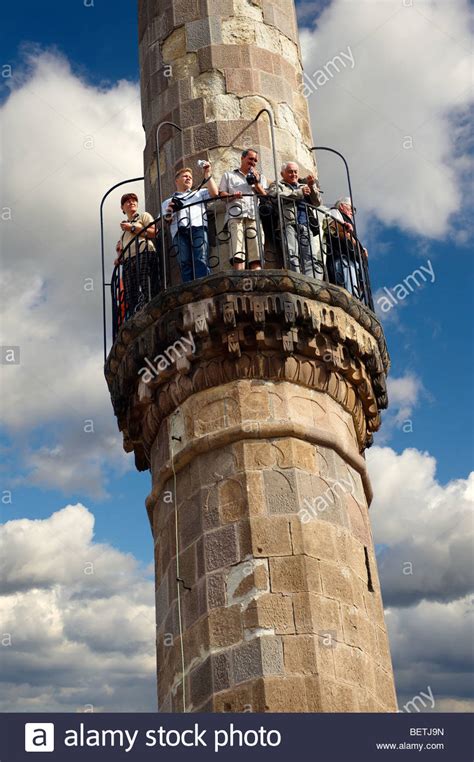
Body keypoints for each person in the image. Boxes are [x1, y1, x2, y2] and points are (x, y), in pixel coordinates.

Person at [162, 162, 218, 282]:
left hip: (198, 227)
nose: (188, 178)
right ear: (176, 181)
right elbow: (166, 220)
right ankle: (189, 287)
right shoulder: (167, 202)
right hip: (179, 231)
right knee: (184, 262)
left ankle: (203, 284)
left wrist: (207, 173)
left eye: (190, 177)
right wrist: (170, 211)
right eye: (185, 176)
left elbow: (214, 193)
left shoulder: (199, 193)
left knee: (201, 258)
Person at [267, 161, 322, 277]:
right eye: (290, 172)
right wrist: (299, 193)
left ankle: (310, 281)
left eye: (295, 172)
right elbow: (276, 197)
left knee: (310, 257)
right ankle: (296, 278)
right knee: (292, 254)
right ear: (283, 174)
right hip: (288, 223)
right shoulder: (278, 185)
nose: (294, 174)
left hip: (305, 225)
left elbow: (317, 203)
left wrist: (312, 186)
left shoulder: (304, 186)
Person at [218, 148, 267, 271]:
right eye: (250, 159)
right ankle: (239, 276)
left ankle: (257, 276)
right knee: (237, 249)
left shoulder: (260, 178)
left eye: (255, 160)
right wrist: (232, 196)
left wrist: (256, 183)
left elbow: (265, 196)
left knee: (256, 249)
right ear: (242, 158)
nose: (253, 162)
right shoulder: (229, 175)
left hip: (253, 215)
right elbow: (221, 194)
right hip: (235, 215)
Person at [115, 193, 157, 315]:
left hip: (144, 253)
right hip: (129, 261)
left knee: (146, 284)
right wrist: (119, 258)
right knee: (130, 292)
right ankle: (136, 314)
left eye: (134, 201)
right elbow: (123, 253)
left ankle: (150, 310)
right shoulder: (122, 234)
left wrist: (132, 228)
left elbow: (154, 232)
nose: (132, 202)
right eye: (127, 201)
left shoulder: (143, 216)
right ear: (122, 208)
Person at [324, 197, 368, 297]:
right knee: (349, 293)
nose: (352, 212)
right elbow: (331, 228)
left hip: (349, 259)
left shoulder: (345, 218)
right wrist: (344, 229)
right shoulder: (335, 212)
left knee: (352, 291)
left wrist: (361, 251)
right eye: (351, 208)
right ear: (342, 206)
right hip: (342, 258)